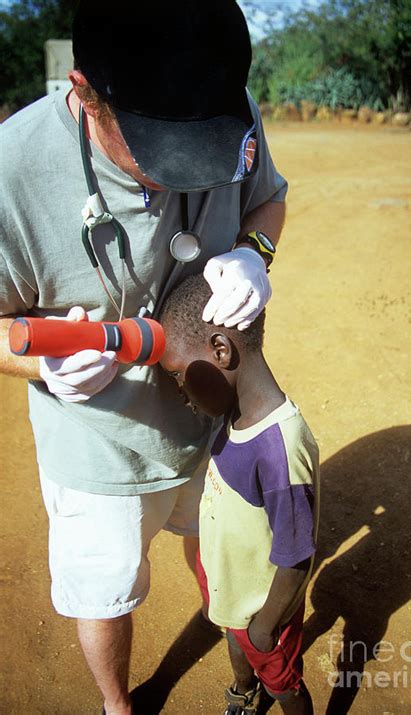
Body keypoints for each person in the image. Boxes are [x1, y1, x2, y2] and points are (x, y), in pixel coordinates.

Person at [0, 1, 287, 712]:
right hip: (100, 445)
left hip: (212, 420)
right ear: (86, 94)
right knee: (107, 587)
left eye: (204, 148)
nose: (185, 176)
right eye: (162, 150)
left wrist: (255, 254)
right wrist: (41, 365)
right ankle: (117, 704)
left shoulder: (231, 108)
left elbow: (268, 202)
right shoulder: (12, 171)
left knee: (218, 547)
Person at [159, 274, 320, 715]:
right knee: (235, 642)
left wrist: (267, 626)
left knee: (284, 684)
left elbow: (295, 555)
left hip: (263, 609)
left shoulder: (280, 446)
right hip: (233, 594)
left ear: (221, 350)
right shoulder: (233, 414)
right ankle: (243, 693)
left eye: (176, 373)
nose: (179, 389)